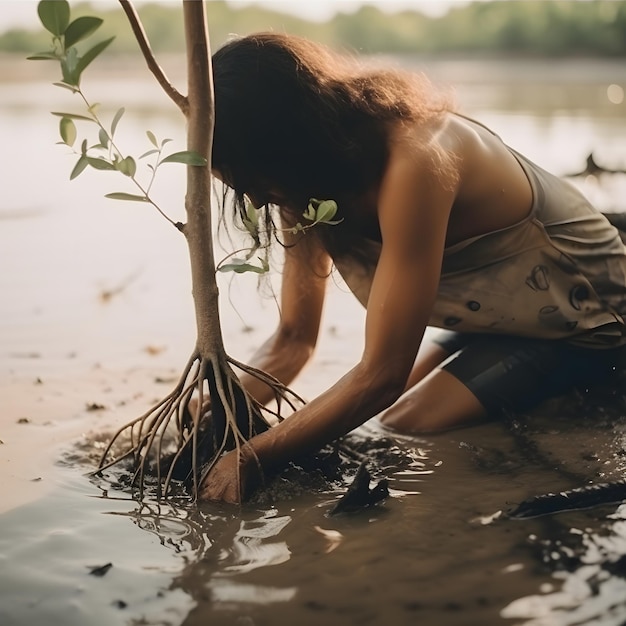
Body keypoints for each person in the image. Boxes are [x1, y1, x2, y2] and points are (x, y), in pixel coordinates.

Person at [201, 32, 626, 503]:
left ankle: (588, 396)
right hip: (495, 318)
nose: (257, 198)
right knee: (390, 408)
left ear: (289, 141)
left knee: (409, 422)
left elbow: (382, 374)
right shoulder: (300, 186)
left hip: (590, 317)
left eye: (254, 177)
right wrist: (220, 411)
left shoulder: (417, 158)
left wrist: (254, 457)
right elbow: (293, 340)